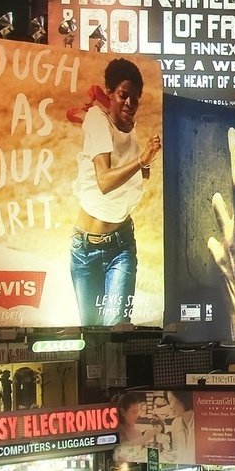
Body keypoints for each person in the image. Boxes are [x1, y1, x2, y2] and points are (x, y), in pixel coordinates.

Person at [67, 57, 160, 326]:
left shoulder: (131, 130)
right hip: (85, 248)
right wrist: (141, 161)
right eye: (123, 95)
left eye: (135, 98)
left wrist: (144, 166)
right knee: (92, 332)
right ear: (109, 93)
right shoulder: (98, 119)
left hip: (121, 244)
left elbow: (131, 174)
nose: (130, 103)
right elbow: (105, 182)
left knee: (118, 328)